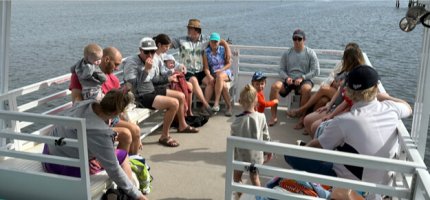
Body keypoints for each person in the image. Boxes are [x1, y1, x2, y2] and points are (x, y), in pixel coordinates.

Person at [284, 65, 412, 200]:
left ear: (349, 91)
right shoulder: (392, 108)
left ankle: (322, 188)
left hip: (352, 183)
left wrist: (303, 150)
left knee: (290, 155)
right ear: (375, 88)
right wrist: (385, 97)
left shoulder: (343, 121)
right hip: (383, 184)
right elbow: (408, 107)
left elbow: (317, 146)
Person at [42, 89, 148, 200]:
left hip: (49, 152)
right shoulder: (100, 133)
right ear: (117, 112)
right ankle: (128, 196)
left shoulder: (86, 103)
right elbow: (113, 169)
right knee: (123, 156)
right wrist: (138, 196)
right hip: (63, 167)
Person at [123, 37, 199, 148]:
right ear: (140, 50)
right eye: (146, 52)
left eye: (152, 51)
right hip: (141, 96)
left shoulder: (151, 60)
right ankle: (164, 136)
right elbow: (133, 85)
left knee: (181, 96)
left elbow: (153, 79)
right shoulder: (132, 62)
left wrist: (170, 76)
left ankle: (182, 125)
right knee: (174, 103)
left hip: (151, 90)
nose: (150, 55)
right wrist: (146, 70)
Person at [69, 47, 142, 155]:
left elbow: (120, 109)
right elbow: (76, 102)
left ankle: (132, 161)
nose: (117, 69)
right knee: (126, 134)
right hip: (94, 119)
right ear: (107, 59)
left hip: (111, 118)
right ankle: (120, 163)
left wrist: (132, 128)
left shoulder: (114, 80)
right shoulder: (82, 76)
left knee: (135, 130)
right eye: (116, 64)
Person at [171, 18, 231, 116]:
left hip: (200, 71)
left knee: (211, 82)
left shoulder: (206, 39)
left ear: (196, 30)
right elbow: (169, 44)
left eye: (190, 28)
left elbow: (221, 41)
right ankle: (206, 105)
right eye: (188, 28)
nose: (188, 30)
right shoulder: (181, 40)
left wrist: (227, 49)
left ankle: (203, 109)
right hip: (187, 71)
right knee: (194, 80)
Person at [302, 44, 365, 138]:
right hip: (337, 105)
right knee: (307, 120)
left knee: (315, 126)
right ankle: (318, 145)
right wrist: (329, 106)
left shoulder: (357, 75)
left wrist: (332, 114)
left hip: (346, 110)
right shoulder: (346, 73)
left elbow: (347, 102)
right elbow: (339, 91)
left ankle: (319, 144)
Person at [268, 29, 320, 128]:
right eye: (294, 38)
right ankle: (273, 116)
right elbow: (280, 69)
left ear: (304, 40)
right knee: (275, 86)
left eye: (299, 39)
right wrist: (286, 77)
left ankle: (301, 120)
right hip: (289, 80)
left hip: (304, 80)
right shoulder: (287, 53)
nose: (296, 41)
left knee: (306, 89)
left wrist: (303, 77)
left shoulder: (310, 53)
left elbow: (316, 70)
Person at [231, 84, 272, 198]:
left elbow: (233, 136)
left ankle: (238, 193)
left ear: (240, 101)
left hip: (240, 157)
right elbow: (266, 137)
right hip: (255, 158)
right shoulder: (261, 117)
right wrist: (269, 152)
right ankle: (259, 197)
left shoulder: (237, 120)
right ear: (256, 101)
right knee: (255, 179)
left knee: (236, 178)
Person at [152, 33, 193, 116]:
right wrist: (170, 75)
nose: (168, 49)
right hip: (162, 84)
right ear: (159, 45)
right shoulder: (154, 58)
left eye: (168, 46)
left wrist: (181, 66)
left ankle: (188, 112)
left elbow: (174, 63)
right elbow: (156, 77)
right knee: (182, 90)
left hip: (168, 80)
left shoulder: (163, 55)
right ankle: (182, 115)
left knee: (190, 86)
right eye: (166, 46)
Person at [202, 32, 232, 116]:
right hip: (213, 74)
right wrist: (209, 76)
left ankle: (216, 103)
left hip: (225, 72)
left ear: (219, 42)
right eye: (212, 41)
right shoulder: (206, 52)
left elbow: (229, 64)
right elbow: (206, 67)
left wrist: (221, 69)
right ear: (210, 42)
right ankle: (229, 107)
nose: (214, 43)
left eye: (216, 41)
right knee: (222, 85)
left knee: (219, 76)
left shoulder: (223, 50)